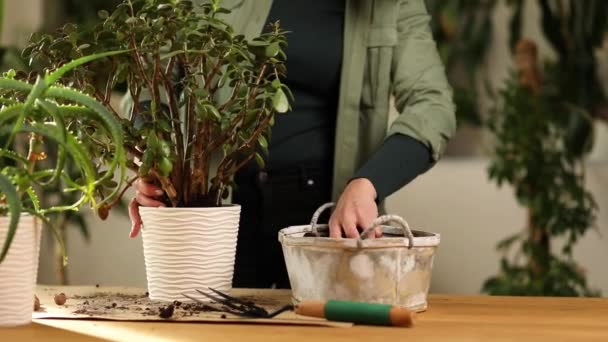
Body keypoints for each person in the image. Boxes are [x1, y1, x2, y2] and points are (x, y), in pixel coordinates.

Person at [128, 0, 456, 289]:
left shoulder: (393, 5)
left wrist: (368, 184)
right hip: (214, 216)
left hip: (326, 225)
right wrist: (153, 166)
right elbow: (147, 90)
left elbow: (433, 107)